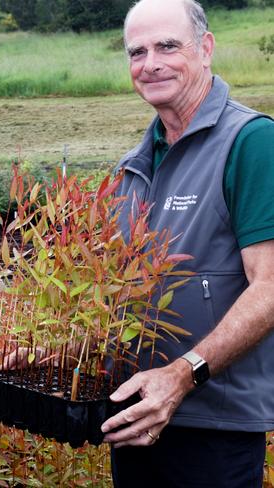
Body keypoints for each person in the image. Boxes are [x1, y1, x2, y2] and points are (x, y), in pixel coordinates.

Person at [100, 0, 274, 486]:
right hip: (135, 417)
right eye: (137, 52)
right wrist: (60, 354)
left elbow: (270, 285)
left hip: (217, 424)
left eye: (168, 46)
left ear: (206, 50)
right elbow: (121, 294)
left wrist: (183, 373)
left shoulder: (252, 142)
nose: (150, 63)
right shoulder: (131, 167)